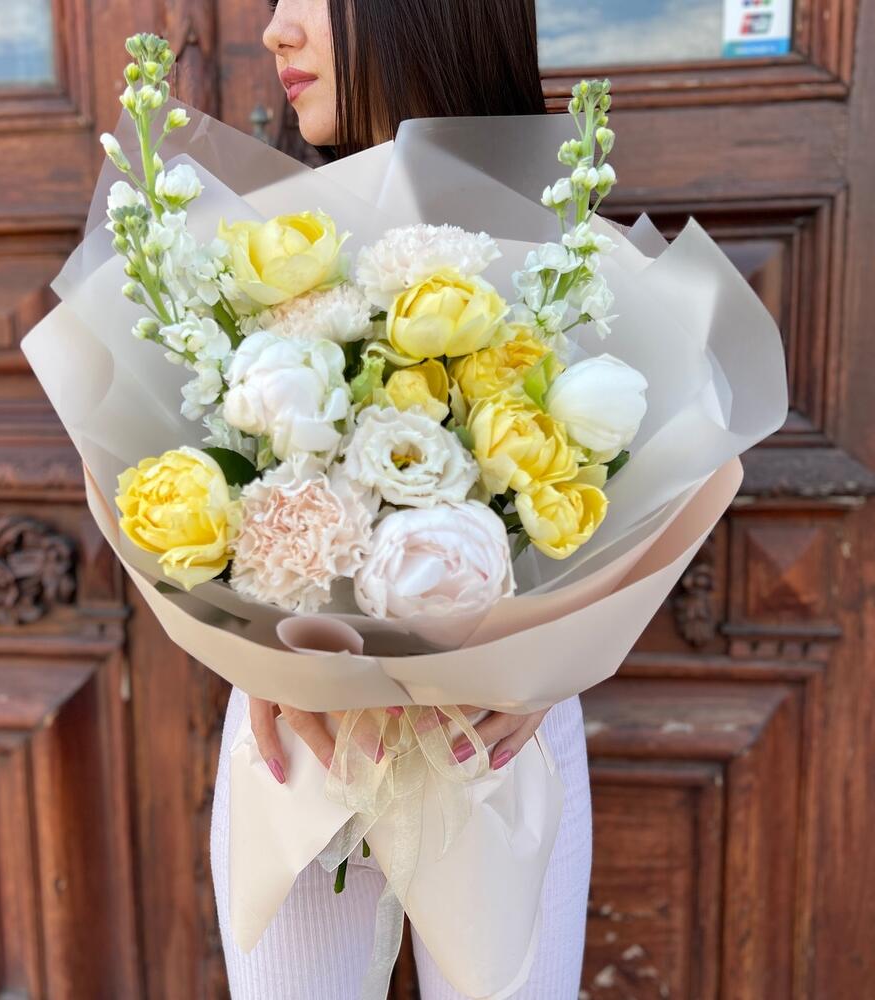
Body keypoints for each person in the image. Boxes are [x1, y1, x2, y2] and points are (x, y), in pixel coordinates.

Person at [211, 2, 592, 996]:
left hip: (497, 734)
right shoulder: (263, 257)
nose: (275, 31)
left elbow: (617, 495)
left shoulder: (566, 266)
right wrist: (251, 640)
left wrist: (555, 653)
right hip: (299, 736)